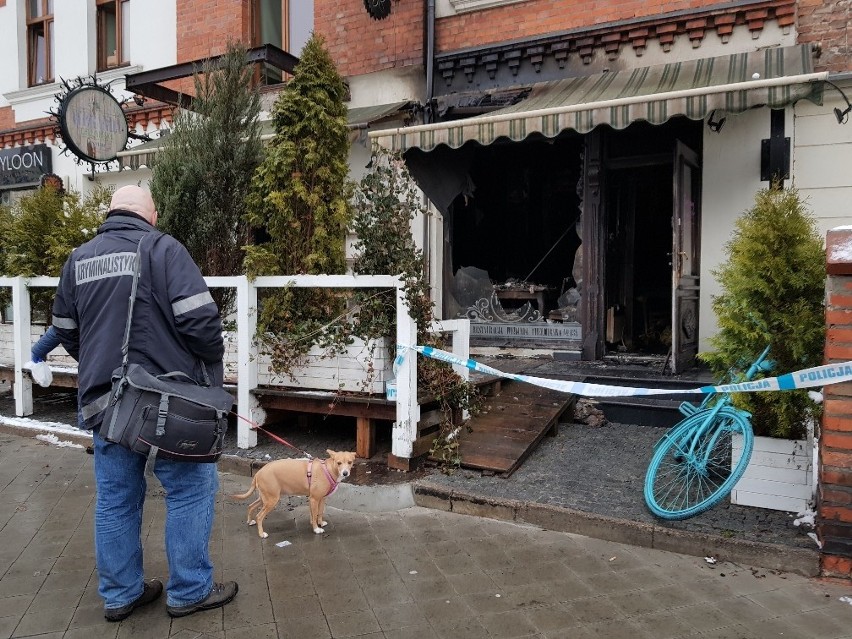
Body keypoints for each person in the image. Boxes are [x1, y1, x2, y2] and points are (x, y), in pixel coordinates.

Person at [51, 185, 238, 621]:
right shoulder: (163, 248)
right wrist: (204, 368)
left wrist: (96, 362)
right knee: (191, 491)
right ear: (150, 214)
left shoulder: (78, 260)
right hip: (165, 405)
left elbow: (64, 327)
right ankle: (190, 589)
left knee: (115, 498)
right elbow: (203, 324)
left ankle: (120, 595)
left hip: (105, 404)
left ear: (111, 211)